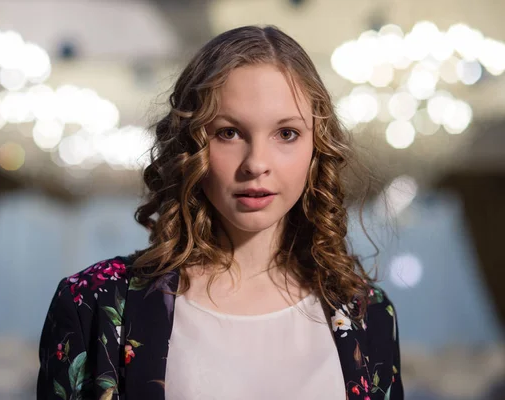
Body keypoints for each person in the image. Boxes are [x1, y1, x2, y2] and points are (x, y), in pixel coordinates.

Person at [37, 25, 404, 400]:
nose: (256, 163)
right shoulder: (94, 303)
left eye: (287, 134)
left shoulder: (367, 313)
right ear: (189, 144)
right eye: (229, 132)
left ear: (317, 147)